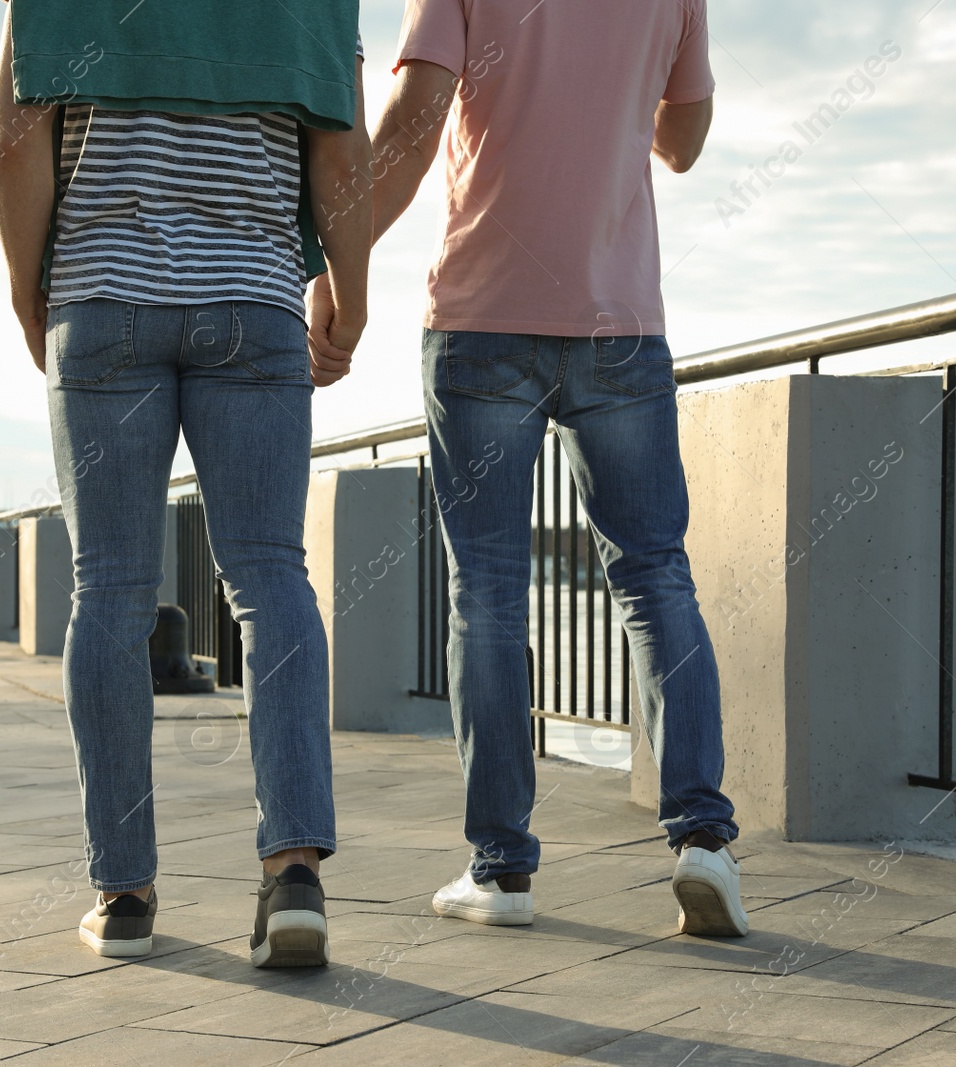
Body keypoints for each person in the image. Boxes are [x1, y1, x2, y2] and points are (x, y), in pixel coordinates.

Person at [318, 0, 747, 936]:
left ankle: (502, 871)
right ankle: (704, 841)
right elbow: (686, 137)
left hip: (483, 316)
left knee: (489, 593)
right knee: (654, 575)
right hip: (619, 324)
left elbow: (413, 128)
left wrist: (337, 260)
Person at [0, 0, 371, 966]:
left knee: (109, 593)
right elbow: (337, 151)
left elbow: (16, 134)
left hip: (103, 295)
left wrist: (32, 293)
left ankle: (123, 892)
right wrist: (348, 294)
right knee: (271, 578)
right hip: (254, 296)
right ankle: (293, 875)